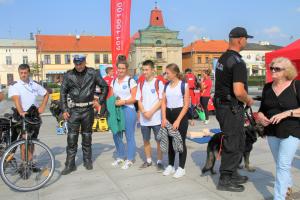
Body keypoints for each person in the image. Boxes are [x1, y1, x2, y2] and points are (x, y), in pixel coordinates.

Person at [214, 27, 254, 192]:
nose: (247, 41)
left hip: (222, 105)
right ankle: (225, 179)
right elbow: (238, 91)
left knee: (237, 140)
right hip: (231, 108)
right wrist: (249, 100)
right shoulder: (237, 62)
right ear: (240, 40)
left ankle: (233, 172)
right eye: (246, 38)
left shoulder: (223, 58)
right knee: (233, 141)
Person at [257, 57, 300, 200]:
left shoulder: (296, 85)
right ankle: (287, 185)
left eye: (277, 69)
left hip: (292, 130)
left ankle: (279, 197)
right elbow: (262, 109)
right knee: (280, 163)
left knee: (282, 164)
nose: (273, 71)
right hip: (272, 131)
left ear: (286, 71)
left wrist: (288, 113)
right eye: (272, 68)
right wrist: (261, 116)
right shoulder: (267, 87)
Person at [60, 55, 108, 175]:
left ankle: (87, 160)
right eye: (76, 64)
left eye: (80, 63)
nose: (79, 66)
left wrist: (99, 101)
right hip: (74, 110)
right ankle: (70, 164)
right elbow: (62, 93)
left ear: (84, 62)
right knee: (71, 138)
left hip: (88, 109)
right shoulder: (68, 75)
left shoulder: (93, 73)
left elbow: (104, 86)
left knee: (87, 136)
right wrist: (64, 109)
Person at [8, 63, 49, 176]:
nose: (23, 75)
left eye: (25, 73)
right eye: (21, 73)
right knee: (24, 141)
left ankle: (30, 163)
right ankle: (24, 165)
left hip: (34, 116)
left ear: (28, 72)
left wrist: (42, 107)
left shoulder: (34, 84)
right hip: (22, 116)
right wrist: (21, 112)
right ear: (19, 73)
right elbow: (16, 99)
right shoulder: (14, 85)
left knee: (32, 141)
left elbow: (46, 94)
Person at [161, 63, 189, 178]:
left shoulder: (184, 85)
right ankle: (171, 165)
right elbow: (163, 102)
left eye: (167, 73)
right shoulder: (166, 86)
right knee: (170, 141)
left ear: (175, 73)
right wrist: (163, 118)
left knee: (180, 142)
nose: (165, 75)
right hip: (168, 114)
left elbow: (186, 105)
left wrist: (178, 120)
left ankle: (181, 168)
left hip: (180, 115)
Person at [136, 60, 164, 171]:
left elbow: (161, 100)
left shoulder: (158, 83)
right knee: (146, 140)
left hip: (156, 118)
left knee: (159, 141)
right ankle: (148, 160)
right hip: (144, 119)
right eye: (143, 70)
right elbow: (138, 100)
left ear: (153, 70)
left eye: (147, 70)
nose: (145, 72)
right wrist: (143, 112)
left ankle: (159, 161)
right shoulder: (141, 84)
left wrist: (151, 112)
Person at [110, 55, 137, 170]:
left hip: (128, 109)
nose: (120, 70)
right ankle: (121, 156)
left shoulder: (131, 81)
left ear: (126, 69)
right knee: (116, 134)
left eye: (122, 68)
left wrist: (123, 102)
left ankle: (130, 159)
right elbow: (111, 96)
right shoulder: (114, 81)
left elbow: (134, 98)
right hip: (117, 111)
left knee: (129, 135)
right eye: (119, 68)